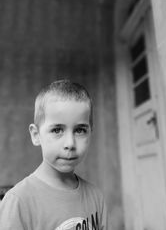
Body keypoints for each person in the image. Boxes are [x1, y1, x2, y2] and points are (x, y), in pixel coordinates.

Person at [0, 79, 108, 230]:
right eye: (57, 130)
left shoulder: (96, 197)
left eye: (80, 130)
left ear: (90, 133)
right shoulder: (18, 202)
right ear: (36, 135)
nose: (70, 143)